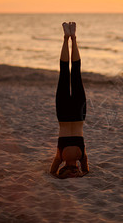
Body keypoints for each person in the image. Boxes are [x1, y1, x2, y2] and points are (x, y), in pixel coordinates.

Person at [50, 22, 89, 178]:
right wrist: (59, 171)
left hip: (79, 115)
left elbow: (86, 169)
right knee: (64, 74)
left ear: (76, 169)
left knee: (76, 75)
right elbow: (52, 171)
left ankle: (73, 37)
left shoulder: (81, 155)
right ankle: (66, 37)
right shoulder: (61, 156)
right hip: (64, 115)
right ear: (64, 168)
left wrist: (82, 173)